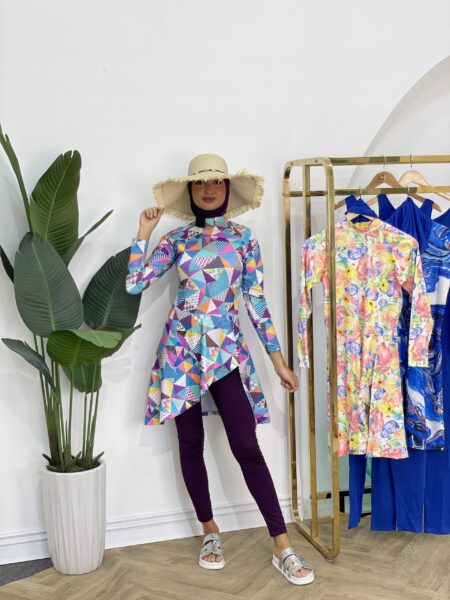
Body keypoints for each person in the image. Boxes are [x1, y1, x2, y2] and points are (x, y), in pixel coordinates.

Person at [125, 154, 314, 586]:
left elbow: (256, 302)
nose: (208, 190)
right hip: (180, 353)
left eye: (216, 182)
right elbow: (135, 283)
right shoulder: (176, 239)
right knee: (190, 443)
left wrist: (279, 362)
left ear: (227, 189)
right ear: (190, 191)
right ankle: (210, 530)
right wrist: (144, 234)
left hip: (226, 352)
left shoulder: (243, 239)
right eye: (199, 183)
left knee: (246, 445)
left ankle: (282, 544)